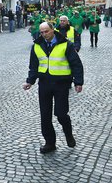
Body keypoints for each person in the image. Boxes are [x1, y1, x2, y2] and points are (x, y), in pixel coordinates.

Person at [23, 22, 84, 154]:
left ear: (52, 30)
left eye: (46, 31)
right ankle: (50, 143)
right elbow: (33, 65)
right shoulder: (37, 45)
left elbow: (76, 64)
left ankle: (68, 133)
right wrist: (30, 81)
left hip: (61, 84)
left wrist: (78, 82)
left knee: (61, 114)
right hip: (44, 84)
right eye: (42, 32)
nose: (44, 34)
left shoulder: (65, 44)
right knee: (45, 116)